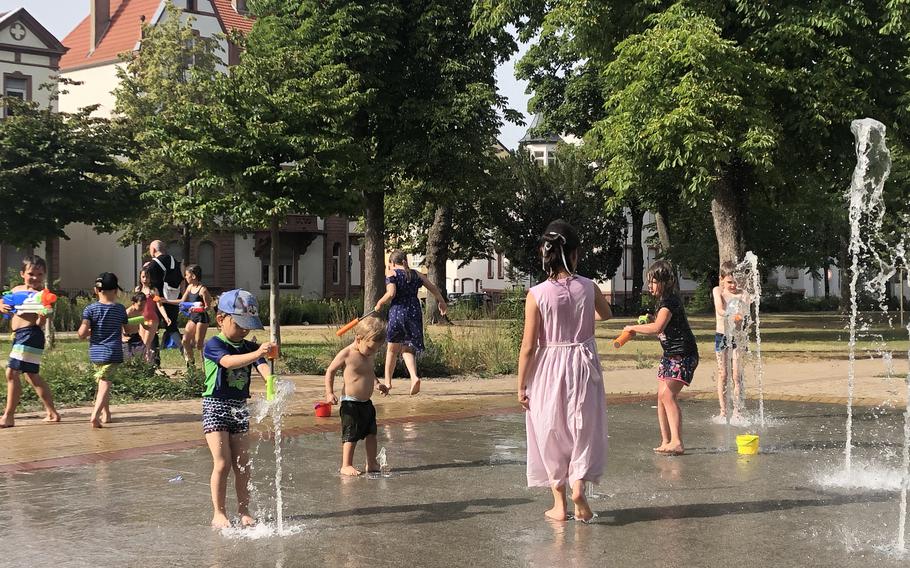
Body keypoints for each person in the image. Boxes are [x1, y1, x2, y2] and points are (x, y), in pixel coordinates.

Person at [518, 220, 612, 522]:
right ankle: (579, 485)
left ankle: (559, 504)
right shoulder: (588, 286)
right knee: (583, 426)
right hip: (583, 363)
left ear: (543, 254)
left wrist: (521, 385)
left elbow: (528, 346)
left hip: (548, 366)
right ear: (575, 254)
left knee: (550, 429)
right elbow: (607, 314)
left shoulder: (537, 294)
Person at [202, 289, 274, 529]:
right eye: (240, 324)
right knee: (222, 462)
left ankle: (244, 510)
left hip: (239, 408)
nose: (244, 330)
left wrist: (271, 379)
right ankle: (218, 513)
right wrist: (257, 353)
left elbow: (264, 370)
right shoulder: (214, 344)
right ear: (221, 319)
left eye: (248, 326)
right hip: (216, 406)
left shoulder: (249, 347)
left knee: (243, 462)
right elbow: (228, 362)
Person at [622, 260, 699, 456]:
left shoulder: (670, 301)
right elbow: (659, 322)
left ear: (666, 282)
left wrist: (633, 327)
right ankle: (666, 441)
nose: (650, 286)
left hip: (683, 355)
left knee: (668, 395)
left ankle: (677, 442)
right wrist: (650, 318)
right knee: (661, 396)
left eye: (654, 282)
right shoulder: (662, 303)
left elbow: (657, 328)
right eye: (650, 282)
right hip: (670, 356)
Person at [374, 251, 448, 396]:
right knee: (407, 348)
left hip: (398, 312)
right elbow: (432, 288)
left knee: (392, 350)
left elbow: (391, 293)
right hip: (414, 313)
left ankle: (388, 383)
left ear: (393, 263)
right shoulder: (416, 274)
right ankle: (414, 377)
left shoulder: (392, 274)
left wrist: (379, 303)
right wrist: (442, 302)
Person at [324, 316, 390, 476]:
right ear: (358, 338)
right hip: (350, 403)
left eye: (376, 349)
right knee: (350, 434)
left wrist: (377, 384)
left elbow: (369, 372)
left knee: (371, 433)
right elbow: (330, 371)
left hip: (366, 403)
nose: (372, 352)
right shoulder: (347, 353)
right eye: (370, 348)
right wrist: (329, 392)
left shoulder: (367, 354)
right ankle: (346, 465)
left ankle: (371, 462)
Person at [0, 255, 60, 427]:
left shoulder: (43, 296)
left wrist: (43, 316)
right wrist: (2, 306)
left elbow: (40, 322)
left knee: (11, 373)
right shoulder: (16, 290)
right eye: (31, 273)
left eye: (40, 274)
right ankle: (52, 413)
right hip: (19, 336)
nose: (35, 278)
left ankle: (8, 416)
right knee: (31, 376)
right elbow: (4, 302)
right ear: (22, 274)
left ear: (45, 275)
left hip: (30, 334)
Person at [78, 272, 129, 428]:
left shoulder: (90, 309)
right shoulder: (120, 309)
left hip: (96, 352)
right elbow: (128, 329)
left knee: (102, 383)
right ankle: (95, 414)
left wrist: (90, 331)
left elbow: (81, 333)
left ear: (96, 290)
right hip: (113, 352)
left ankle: (106, 414)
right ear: (115, 291)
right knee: (105, 384)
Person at [712, 261, 750, 420]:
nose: (733, 285)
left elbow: (745, 313)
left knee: (736, 375)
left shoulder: (744, 294)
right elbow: (720, 310)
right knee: (723, 374)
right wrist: (731, 314)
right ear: (721, 279)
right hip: (722, 336)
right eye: (729, 282)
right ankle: (723, 411)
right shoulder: (718, 291)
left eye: (735, 282)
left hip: (737, 337)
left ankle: (737, 411)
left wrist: (740, 315)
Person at [146, 240, 183, 352]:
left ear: (153, 250)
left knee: (153, 328)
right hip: (173, 299)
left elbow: (152, 288)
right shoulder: (175, 262)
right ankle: (185, 353)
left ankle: (154, 358)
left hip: (158, 300)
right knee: (172, 327)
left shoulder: (152, 265)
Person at [174, 264, 213, 368]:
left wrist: (198, 308)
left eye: (187, 275)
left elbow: (208, 306)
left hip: (201, 318)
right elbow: (182, 301)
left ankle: (205, 366)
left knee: (198, 344)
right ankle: (191, 364)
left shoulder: (203, 290)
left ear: (194, 276)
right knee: (185, 340)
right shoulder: (189, 287)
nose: (185, 277)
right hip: (193, 317)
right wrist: (166, 301)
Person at [135, 267, 170, 363]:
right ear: (140, 278)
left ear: (150, 278)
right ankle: (148, 364)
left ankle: (148, 365)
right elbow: (135, 307)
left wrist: (166, 317)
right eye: (143, 277)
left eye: (147, 277)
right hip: (141, 320)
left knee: (146, 343)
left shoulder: (153, 291)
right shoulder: (138, 291)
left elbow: (159, 305)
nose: (145, 279)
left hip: (152, 320)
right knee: (143, 344)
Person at [123, 292, 149, 360]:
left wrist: (148, 326)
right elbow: (119, 324)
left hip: (136, 335)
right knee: (128, 357)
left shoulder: (140, 311)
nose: (142, 307)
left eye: (144, 305)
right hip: (127, 337)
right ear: (133, 303)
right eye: (140, 305)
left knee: (142, 353)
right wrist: (122, 336)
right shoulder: (127, 313)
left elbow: (142, 322)